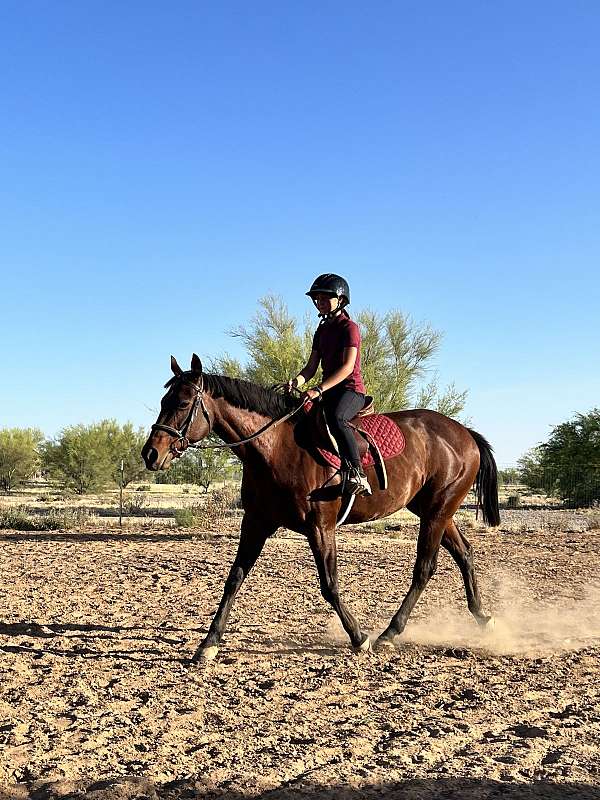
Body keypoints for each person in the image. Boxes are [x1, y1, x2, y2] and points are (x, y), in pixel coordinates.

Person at [286, 274, 372, 496]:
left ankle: (358, 474)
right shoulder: (321, 331)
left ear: (341, 300)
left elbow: (346, 368)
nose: (321, 302)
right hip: (329, 392)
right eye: (318, 298)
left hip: (350, 390)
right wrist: (296, 381)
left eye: (326, 298)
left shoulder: (349, 328)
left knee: (337, 418)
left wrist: (317, 389)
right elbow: (310, 368)